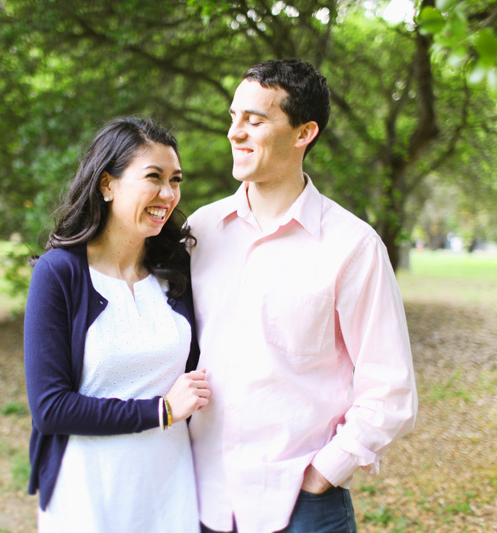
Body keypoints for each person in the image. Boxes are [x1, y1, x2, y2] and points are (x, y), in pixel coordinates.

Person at [187, 59, 418, 533]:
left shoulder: (352, 246)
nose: (235, 132)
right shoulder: (199, 231)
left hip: (301, 507)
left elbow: (390, 388)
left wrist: (322, 472)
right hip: (201, 499)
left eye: (254, 120)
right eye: (234, 117)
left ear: (303, 133)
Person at [23, 116, 209, 532]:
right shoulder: (60, 274)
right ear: (108, 184)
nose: (168, 194)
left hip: (170, 486)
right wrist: (160, 411)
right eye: (153, 177)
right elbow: (51, 408)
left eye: (175, 180)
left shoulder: (176, 271)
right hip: (89, 490)